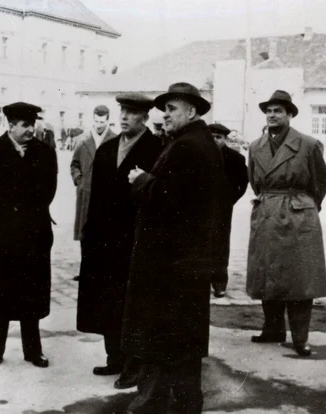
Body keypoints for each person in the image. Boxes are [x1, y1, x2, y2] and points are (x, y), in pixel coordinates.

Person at [122, 83, 230, 413]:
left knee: (164, 334)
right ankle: (183, 401)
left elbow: (176, 201)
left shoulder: (189, 146)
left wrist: (142, 181)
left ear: (192, 111)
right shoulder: (195, 142)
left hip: (171, 263)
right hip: (183, 261)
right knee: (180, 337)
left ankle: (154, 402)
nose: (164, 115)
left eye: (171, 109)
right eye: (164, 109)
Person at [76, 95, 163, 390]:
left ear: (145, 117)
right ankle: (114, 356)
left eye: (132, 112)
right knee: (106, 299)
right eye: (122, 111)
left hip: (135, 238)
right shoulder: (107, 149)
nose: (124, 117)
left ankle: (134, 364)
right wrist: (89, 231)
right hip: (104, 237)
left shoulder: (156, 148)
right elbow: (96, 195)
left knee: (132, 302)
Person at [0, 102, 58, 370]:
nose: (31, 130)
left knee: (31, 295)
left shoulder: (45, 153)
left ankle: (33, 351)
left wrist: (27, 216)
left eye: (33, 124)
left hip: (33, 235)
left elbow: (48, 190)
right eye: (25, 125)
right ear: (11, 125)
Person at [247, 90, 326, 358]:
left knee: (299, 278)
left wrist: (306, 204)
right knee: (267, 272)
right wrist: (271, 202)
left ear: (290, 114)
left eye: (278, 111)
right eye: (269, 111)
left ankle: (300, 338)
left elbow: (322, 180)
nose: (272, 115)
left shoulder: (308, 144)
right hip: (268, 213)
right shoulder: (255, 146)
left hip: (298, 215)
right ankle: (272, 329)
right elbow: (255, 181)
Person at [70, 105, 117, 282]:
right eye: (96, 121)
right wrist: (78, 180)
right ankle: (86, 270)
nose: (99, 125)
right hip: (86, 193)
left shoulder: (115, 139)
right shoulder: (82, 139)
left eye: (102, 122)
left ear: (108, 120)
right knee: (85, 233)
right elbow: (74, 164)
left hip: (106, 196)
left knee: (103, 232)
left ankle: (102, 270)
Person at [208, 122, 249, 298]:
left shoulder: (235, 158)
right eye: (212, 137)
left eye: (219, 137)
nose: (215, 140)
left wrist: (230, 200)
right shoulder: (200, 154)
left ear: (225, 139)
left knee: (220, 244)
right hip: (199, 207)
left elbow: (243, 183)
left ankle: (219, 283)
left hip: (222, 209)